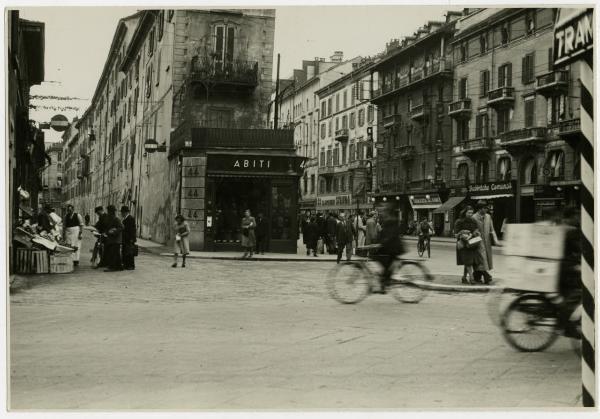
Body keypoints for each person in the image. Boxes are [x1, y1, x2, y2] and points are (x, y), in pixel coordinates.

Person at [557, 207, 582, 337]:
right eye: (577, 215)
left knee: (566, 296)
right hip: (566, 269)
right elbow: (579, 248)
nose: (578, 218)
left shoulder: (560, 227)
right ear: (571, 216)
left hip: (559, 267)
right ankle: (565, 323)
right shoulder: (570, 230)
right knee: (578, 293)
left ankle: (567, 326)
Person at [373, 204, 405, 293]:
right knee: (384, 264)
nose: (382, 213)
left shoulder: (392, 221)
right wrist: (377, 242)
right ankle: (384, 281)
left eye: (384, 211)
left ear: (388, 212)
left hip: (394, 248)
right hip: (390, 247)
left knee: (385, 264)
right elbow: (383, 233)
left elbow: (390, 235)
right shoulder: (389, 220)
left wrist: (381, 243)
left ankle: (385, 282)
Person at [472, 200, 499, 284]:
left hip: (487, 242)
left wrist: (496, 240)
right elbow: (472, 230)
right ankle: (487, 276)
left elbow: (492, 229)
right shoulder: (474, 217)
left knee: (484, 260)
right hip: (478, 241)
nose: (486, 210)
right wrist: (475, 233)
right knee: (482, 259)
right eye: (485, 208)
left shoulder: (488, 217)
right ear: (480, 209)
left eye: (487, 208)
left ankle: (476, 276)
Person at [454, 206, 483, 284]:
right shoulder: (459, 221)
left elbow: (476, 230)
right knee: (468, 261)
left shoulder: (473, 221)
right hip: (463, 244)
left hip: (472, 243)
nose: (470, 214)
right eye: (469, 212)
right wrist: (462, 233)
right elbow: (456, 234)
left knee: (469, 261)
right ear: (465, 212)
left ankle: (464, 277)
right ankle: (471, 279)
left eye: (471, 213)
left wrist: (476, 233)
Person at [103, 205, 124, 272]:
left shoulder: (116, 219)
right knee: (115, 253)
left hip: (116, 239)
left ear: (112, 212)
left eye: (109, 211)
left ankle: (112, 267)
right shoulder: (110, 218)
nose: (108, 213)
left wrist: (114, 231)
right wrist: (106, 232)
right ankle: (119, 266)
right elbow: (107, 228)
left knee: (113, 253)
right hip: (111, 239)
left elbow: (121, 227)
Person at [120, 206, 137, 270]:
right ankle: (126, 265)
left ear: (125, 212)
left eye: (122, 212)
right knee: (125, 251)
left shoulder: (130, 218)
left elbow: (132, 230)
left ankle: (131, 266)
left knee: (130, 252)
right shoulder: (125, 219)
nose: (121, 214)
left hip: (129, 238)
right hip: (125, 238)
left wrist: (132, 239)